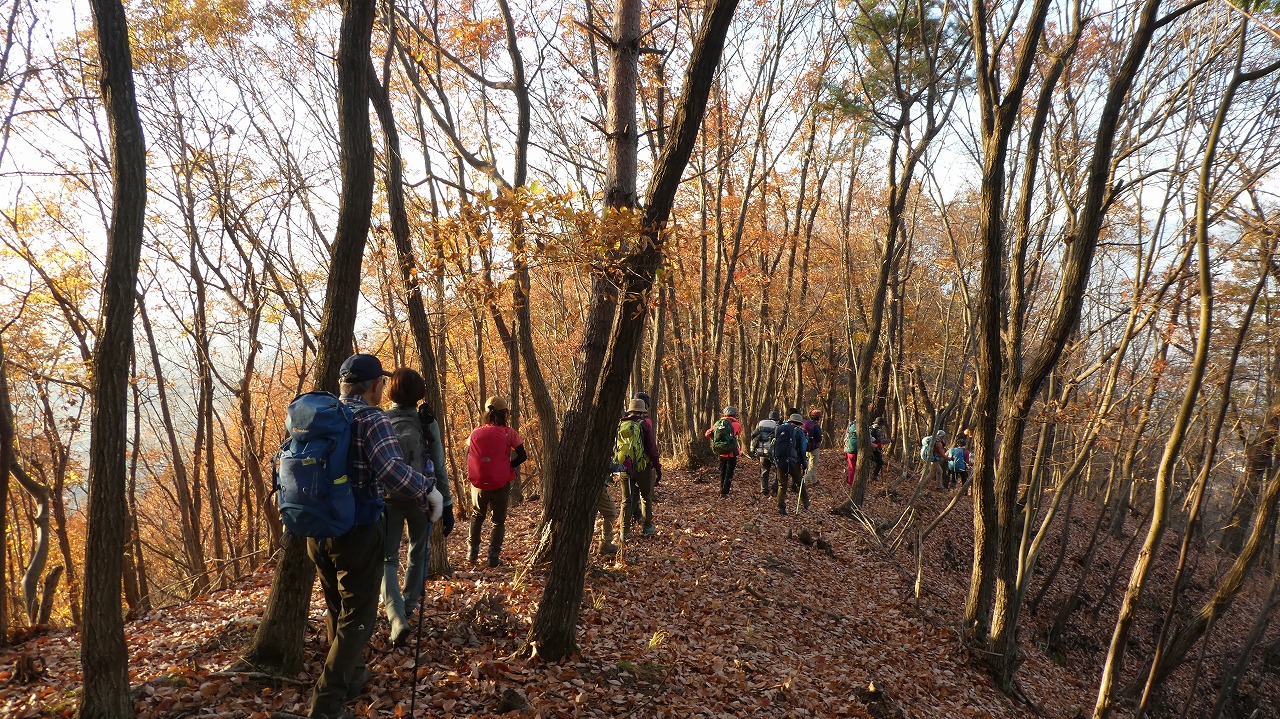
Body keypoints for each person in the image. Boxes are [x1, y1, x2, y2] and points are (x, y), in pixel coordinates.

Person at [307, 353, 442, 719]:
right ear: (375, 386)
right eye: (381, 382)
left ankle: (352, 676)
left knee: (338, 608)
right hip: (356, 531)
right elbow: (391, 470)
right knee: (358, 617)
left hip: (316, 530)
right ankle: (326, 707)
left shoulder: (321, 414)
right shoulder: (372, 418)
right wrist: (428, 492)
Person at [381, 369, 454, 647]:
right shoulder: (426, 421)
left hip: (387, 498)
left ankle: (396, 615)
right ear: (419, 393)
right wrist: (447, 503)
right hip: (422, 495)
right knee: (418, 553)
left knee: (387, 558)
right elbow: (439, 465)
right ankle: (409, 608)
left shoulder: (381, 419)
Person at [467, 396, 526, 567]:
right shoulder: (509, 432)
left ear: (486, 413)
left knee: (477, 515)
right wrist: (508, 466)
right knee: (498, 521)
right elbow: (522, 455)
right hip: (500, 483)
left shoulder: (475, 431)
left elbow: (469, 453)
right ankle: (493, 557)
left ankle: (472, 553)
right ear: (505, 413)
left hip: (478, 483)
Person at [615, 398, 661, 537]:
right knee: (645, 497)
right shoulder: (644, 424)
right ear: (642, 411)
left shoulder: (621, 424)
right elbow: (652, 449)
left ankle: (624, 531)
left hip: (624, 467)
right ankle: (647, 527)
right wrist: (657, 467)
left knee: (626, 500)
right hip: (642, 467)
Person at [772, 413, 809, 515]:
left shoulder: (779, 429)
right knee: (799, 482)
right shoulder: (799, 432)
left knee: (782, 485)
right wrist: (804, 463)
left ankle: (781, 507)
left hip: (780, 460)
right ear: (799, 423)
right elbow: (802, 449)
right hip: (794, 462)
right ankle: (806, 503)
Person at [704, 406, 743, 497]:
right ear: (734, 415)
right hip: (731, 452)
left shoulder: (718, 423)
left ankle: (722, 488)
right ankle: (725, 492)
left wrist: (715, 438)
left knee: (722, 471)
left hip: (720, 451)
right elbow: (737, 433)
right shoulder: (736, 424)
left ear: (725, 414)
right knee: (729, 472)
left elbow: (707, 434)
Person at [750, 410, 781, 496]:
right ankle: (774, 489)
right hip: (774, 453)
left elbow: (753, 434)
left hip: (762, 452)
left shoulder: (761, 426)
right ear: (778, 420)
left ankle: (764, 490)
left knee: (764, 471)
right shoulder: (778, 428)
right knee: (779, 470)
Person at [802, 409, 823, 486]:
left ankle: (815, 481)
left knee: (808, 466)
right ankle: (803, 482)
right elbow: (819, 439)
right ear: (818, 418)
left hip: (806, 447)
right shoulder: (816, 426)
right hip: (814, 448)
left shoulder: (805, 424)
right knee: (813, 467)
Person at [868, 416, 889, 481]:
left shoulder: (869, 428)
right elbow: (882, 441)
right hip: (875, 449)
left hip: (867, 448)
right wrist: (889, 441)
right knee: (880, 462)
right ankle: (875, 475)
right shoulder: (879, 431)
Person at [843, 417, 858, 487]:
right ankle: (852, 483)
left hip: (848, 449)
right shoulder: (863, 427)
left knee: (851, 467)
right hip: (856, 451)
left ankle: (850, 481)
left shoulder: (850, 426)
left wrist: (845, 448)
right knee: (855, 468)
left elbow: (845, 438)